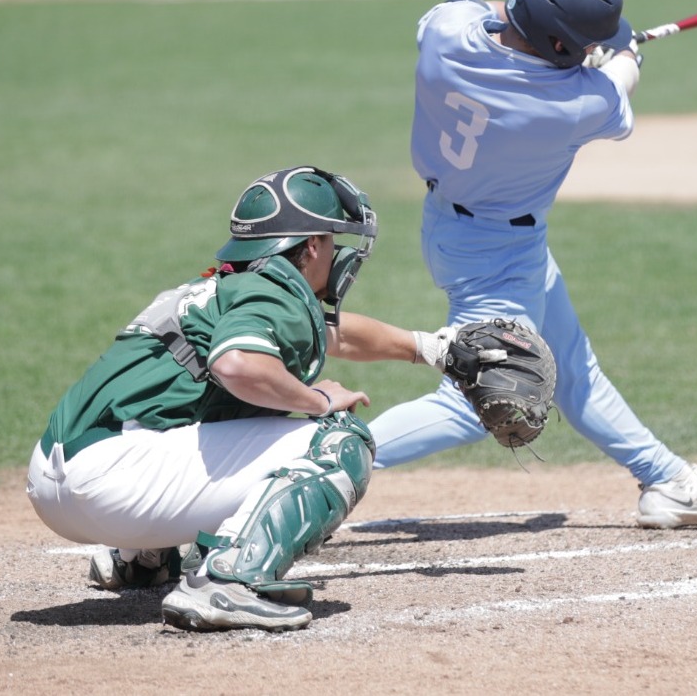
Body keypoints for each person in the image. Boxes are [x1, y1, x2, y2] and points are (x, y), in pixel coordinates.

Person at [367, 0, 697, 529]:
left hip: (465, 228)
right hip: (492, 258)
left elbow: (480, 13)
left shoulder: (446, 34)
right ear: (560, 46)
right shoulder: (569, 106)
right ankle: (311, 461)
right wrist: (622, 49)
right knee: (480, 400)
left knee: (573, 366)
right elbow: (621, 80)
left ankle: (665, 479)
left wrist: (580, 46)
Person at [28, 166, 459, 633]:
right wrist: (316, 400)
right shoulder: (273, 294)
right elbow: (236, 363)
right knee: (340, 441)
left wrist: (430, 348)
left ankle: (143, 558)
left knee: (204, 417)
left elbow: (333, 336)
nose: (336, 255)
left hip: (58, 478)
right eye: (332, 241)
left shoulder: (227, 287)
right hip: (116, 486)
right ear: (311, 245)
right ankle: (230, 582)